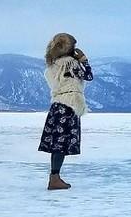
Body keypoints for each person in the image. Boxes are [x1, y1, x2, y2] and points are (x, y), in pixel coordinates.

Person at [37, 32, 93, 190]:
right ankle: (55, 178)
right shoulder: (70, 64)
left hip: (57, 105)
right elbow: (88, 75)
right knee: (61, 144)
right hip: (69, 105)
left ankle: (54, 176)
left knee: (56, 143)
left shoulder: (53, 66)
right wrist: (84, 61)